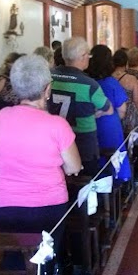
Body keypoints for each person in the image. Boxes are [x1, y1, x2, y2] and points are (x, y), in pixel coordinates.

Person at [0, 55, 81, 271]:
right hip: (48, 206)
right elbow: (74, 167)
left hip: (7, 206)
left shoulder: (3, 115)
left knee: (15, 258)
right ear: (47, 89)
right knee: (46, 260)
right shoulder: (57, 125)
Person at [48, 37, 113, 176]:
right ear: (83, 57)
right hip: (82, 144)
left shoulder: (49, 77)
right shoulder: (89, 84)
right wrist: (97, 112)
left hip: (53, 142)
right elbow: (108, 109)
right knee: (86, 183)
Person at [86, 45, 128, 155]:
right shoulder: (111, 83)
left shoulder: (86, 81)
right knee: (113, 158)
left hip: (89, 127)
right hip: (109, 126)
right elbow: (122, 111)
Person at [113, 49, 138, 135]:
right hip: (130, 113)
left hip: (114, 112)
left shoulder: (109, 77)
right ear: (126, 63)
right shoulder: (131, 79)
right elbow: (136, 100)